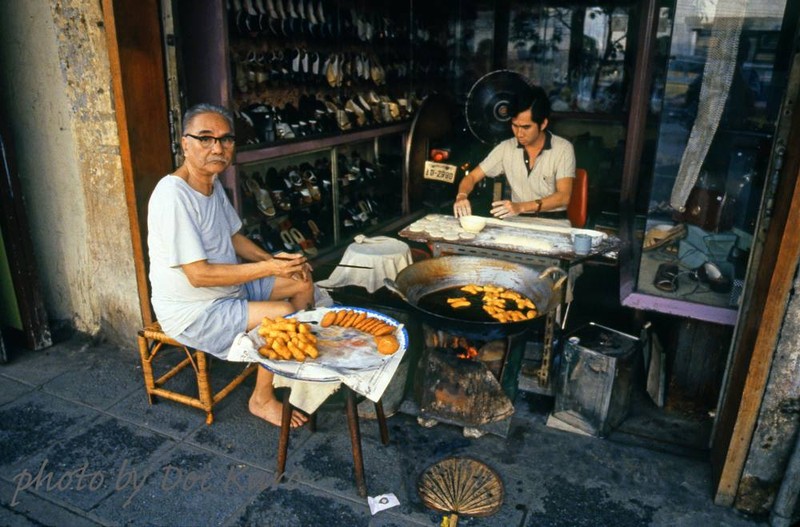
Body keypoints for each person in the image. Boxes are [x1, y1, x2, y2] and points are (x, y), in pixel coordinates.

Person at [147, 103, 312, 428]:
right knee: (280, 313)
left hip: (228, 288)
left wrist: (277, 262)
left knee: (302, 279)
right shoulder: (173, 196)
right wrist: (268, 269)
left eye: (225, 140)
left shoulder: (211, 181)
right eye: (205, 138)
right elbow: (199, 276)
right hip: (193, 311)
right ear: (184, 143)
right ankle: (261, 398)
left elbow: (234, 237)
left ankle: (288, 361)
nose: (217, 148)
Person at [453, 85, 576, 222]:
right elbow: (472, 177)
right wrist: (462, 196)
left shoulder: (563, 148)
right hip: (518, 221)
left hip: (554, 222)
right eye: (514, 125)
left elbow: (564, 197)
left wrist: (521, 207)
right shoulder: (506, 148)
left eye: (526, 127)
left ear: (543, 124)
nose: (519, 133)